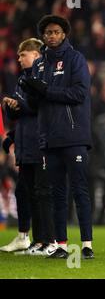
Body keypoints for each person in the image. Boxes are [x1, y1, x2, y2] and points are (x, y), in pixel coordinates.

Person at [19, 15, 94, 259]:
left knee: (80, 191)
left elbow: (79, 94)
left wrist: (45, 90)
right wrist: (27, 96)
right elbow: (36, 103)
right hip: (49, 138)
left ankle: (86, 244)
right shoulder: (39, 65)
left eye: (56, 32)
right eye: (47, 32)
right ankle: (61, 244)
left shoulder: (75, 59)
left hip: (73, 136)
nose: (51, 36)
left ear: (64, 35)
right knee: (58, 193)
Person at [0, 38, 56, 256]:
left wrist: (19, 105)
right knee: (26, 192)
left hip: (39, 144)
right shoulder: (23, 79)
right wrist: (12, 110)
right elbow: (22, 114)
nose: (19, 58)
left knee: (41, 193)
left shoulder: (43, 77)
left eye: (23, 54)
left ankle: (47, 241)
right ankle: (34, 240)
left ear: (36, 55)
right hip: (25, 145)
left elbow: (40, 108)